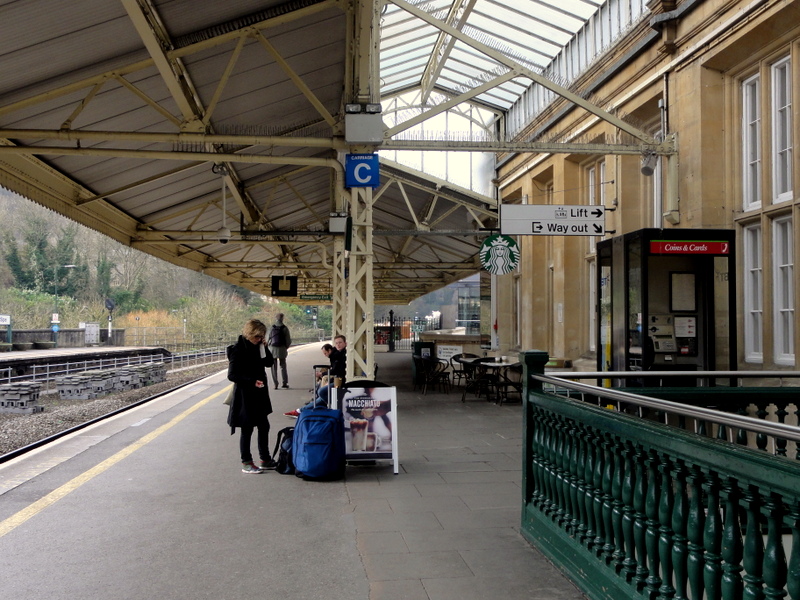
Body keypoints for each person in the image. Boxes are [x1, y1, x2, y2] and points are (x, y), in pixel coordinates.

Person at [227, 318, 277, 474]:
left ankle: (265, 459)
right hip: (245, 395)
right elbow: (232, 375)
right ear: (249, 334)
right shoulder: (238, 349)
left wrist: (264, 347)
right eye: (257, 337)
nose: (259, 339)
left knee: (264, 425)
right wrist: (252, 381)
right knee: (247, 428)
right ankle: (246, 462)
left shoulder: (258, 347)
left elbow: (269, 363)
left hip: (260, 394)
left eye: (262, 336)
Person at [284, 335, 347, 417]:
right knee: (322, 394)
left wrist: (323, 374)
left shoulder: (343, 355)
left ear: (345, 343)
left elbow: (338, 371)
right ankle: (300, 411)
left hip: (343, 381)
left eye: (340, 342)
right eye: (336, 343)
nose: (338, 345)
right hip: (338, 379)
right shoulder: (337, 353)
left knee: (322, 392)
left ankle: (304, 410)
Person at [268, 313, 291, 390]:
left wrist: (269, 347)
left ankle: (275, 384)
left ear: (276, 318)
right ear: (282, 318)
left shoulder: (272, 327)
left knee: (273, 367)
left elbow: (268, 338)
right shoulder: (285, 328)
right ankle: (284, 383)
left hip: (273, 349)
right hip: (282, 349)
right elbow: (288, 340)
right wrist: (285, 347)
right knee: (283, 366)